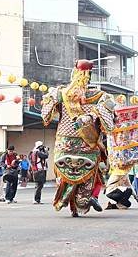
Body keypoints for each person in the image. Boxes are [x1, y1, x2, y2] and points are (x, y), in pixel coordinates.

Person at [41, 59, 116, 217]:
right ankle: (81, 202)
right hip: (88, 144)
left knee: (65, 173)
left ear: (73, 72)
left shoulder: (60, 93)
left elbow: (45, 115)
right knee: (86, 175)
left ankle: (68, 201)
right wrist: (92, 115)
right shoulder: (100, 96)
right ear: (90, 75)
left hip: (64, 142)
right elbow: (109, 124)